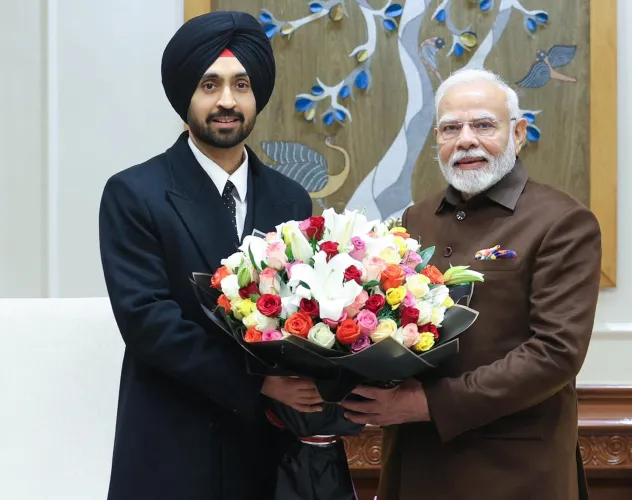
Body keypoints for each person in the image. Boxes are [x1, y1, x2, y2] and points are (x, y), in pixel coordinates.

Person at [340, 68, 602, 499]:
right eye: (450, 128)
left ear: (518, 134)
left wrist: (428, 404)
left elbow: (556, 353)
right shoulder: (415, 220)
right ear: (437, 144)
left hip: (513, 471)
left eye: (483, 125)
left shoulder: (562, 222)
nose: (465, 140)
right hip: (416, 461)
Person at [98, 11, 322, 500]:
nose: (227, 101)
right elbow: (147, 321)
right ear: (186, 96)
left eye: (241, 85)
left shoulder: (292, 200)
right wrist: (258, 385)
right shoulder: (135, 193)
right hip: (172, 442)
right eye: (209, 85)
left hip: (267, 447)